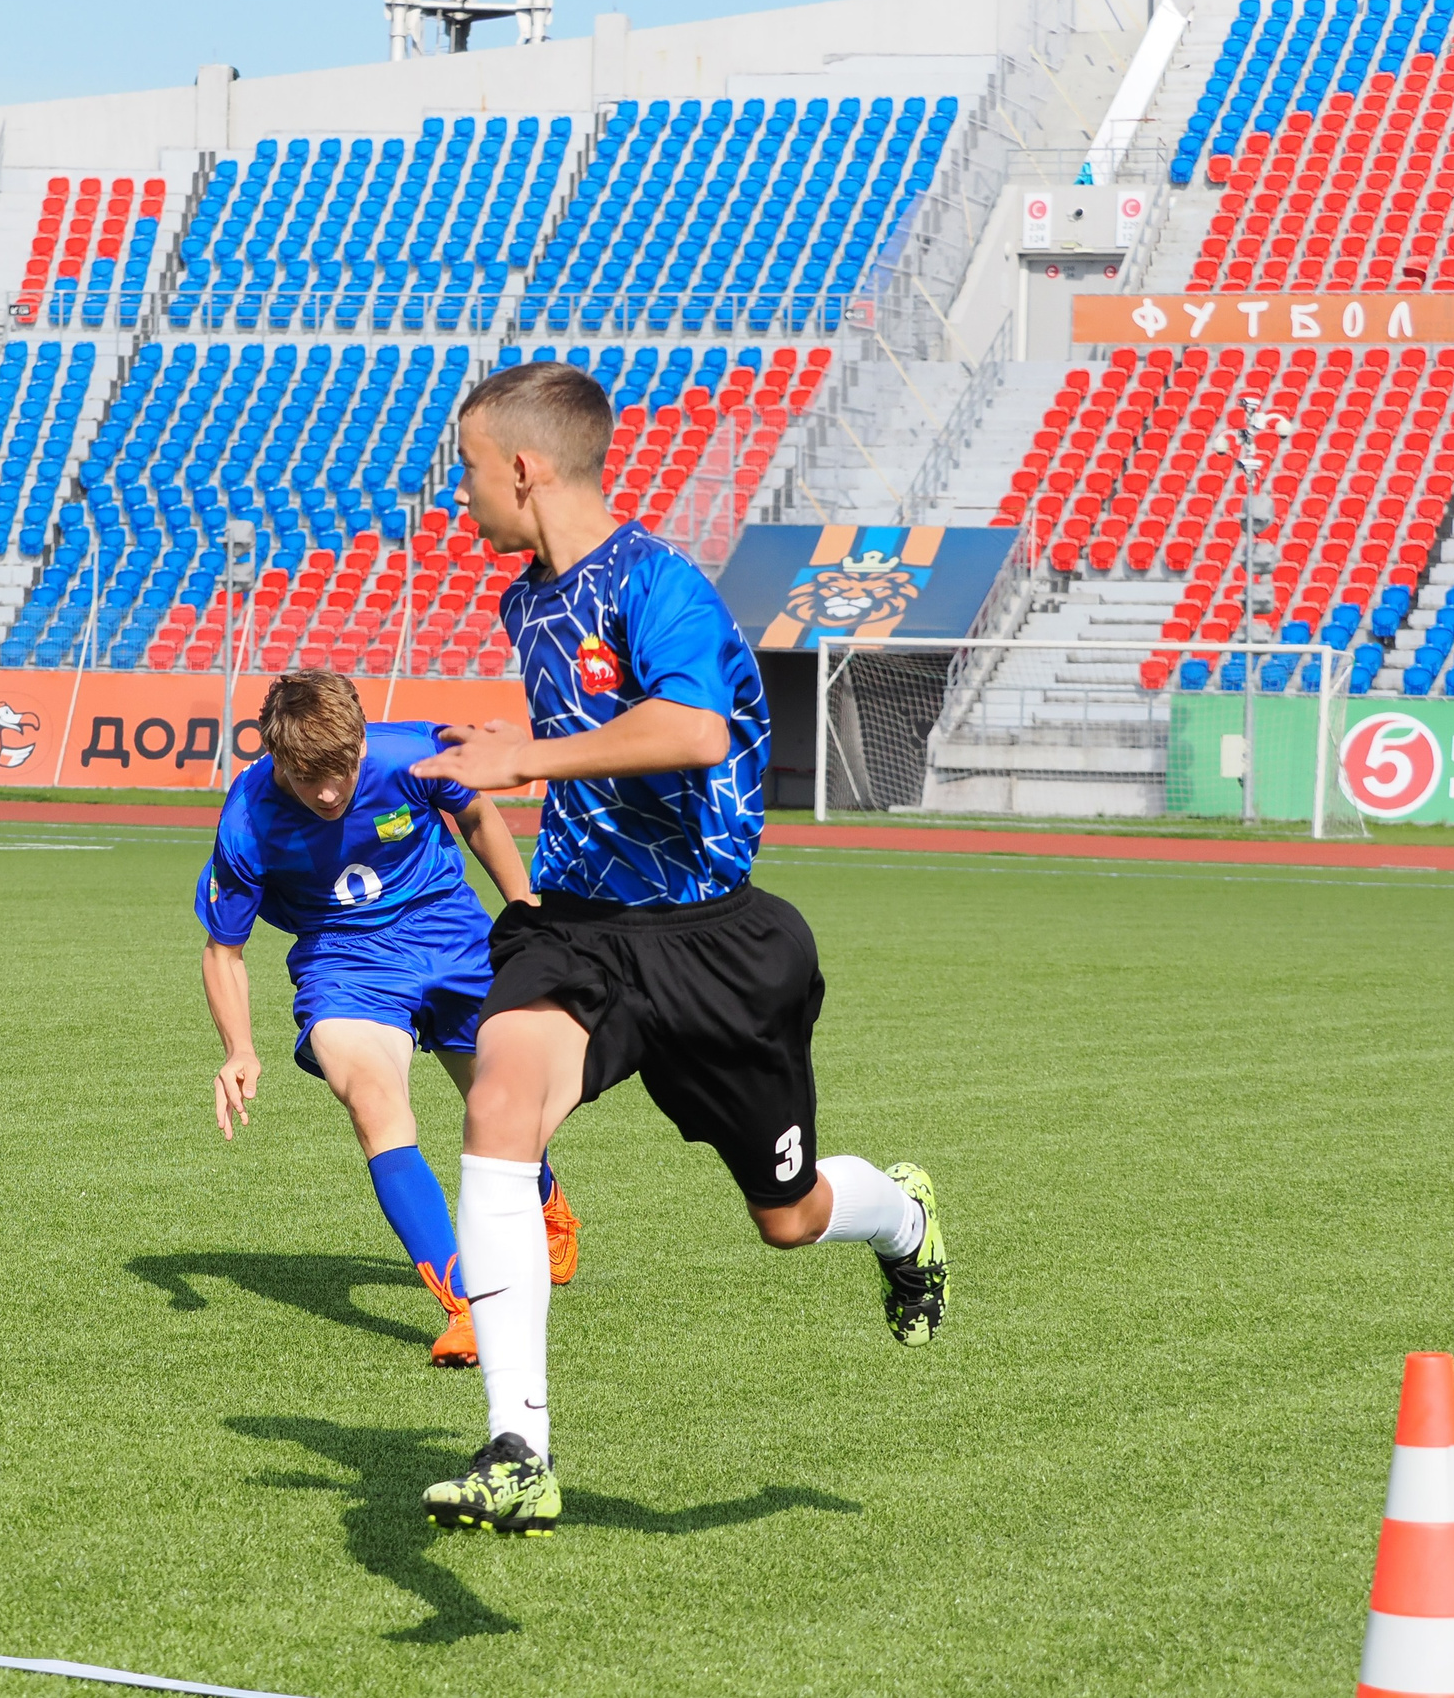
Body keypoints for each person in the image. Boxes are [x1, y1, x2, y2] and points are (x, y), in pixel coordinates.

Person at [407, 363, 947, 1537]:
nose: (459, 497)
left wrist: (526, 759)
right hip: (589, 931)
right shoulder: (525, 600)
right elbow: (594, 758)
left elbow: (694, 729)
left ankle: (900, 1217)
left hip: (718, 942)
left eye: (466, 472)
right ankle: (518, 1449)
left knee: (789, 1217)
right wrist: (500, 770)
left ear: (523, 468)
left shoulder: (657, 586)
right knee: (498, 1100)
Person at [197, 668, 577, 1369]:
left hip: (453, 939)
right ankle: (470, 1305)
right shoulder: (248, 814)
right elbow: (225, 950)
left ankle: (547, 1199)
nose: (330, 791)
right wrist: (239, 1047)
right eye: (309, 777)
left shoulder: (411, 754)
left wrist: (523, 908)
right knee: (374, 1101)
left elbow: (478, 815)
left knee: (501, 1109)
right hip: (346, 967)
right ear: (277, 759)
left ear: (363, 741)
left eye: (341, 769)